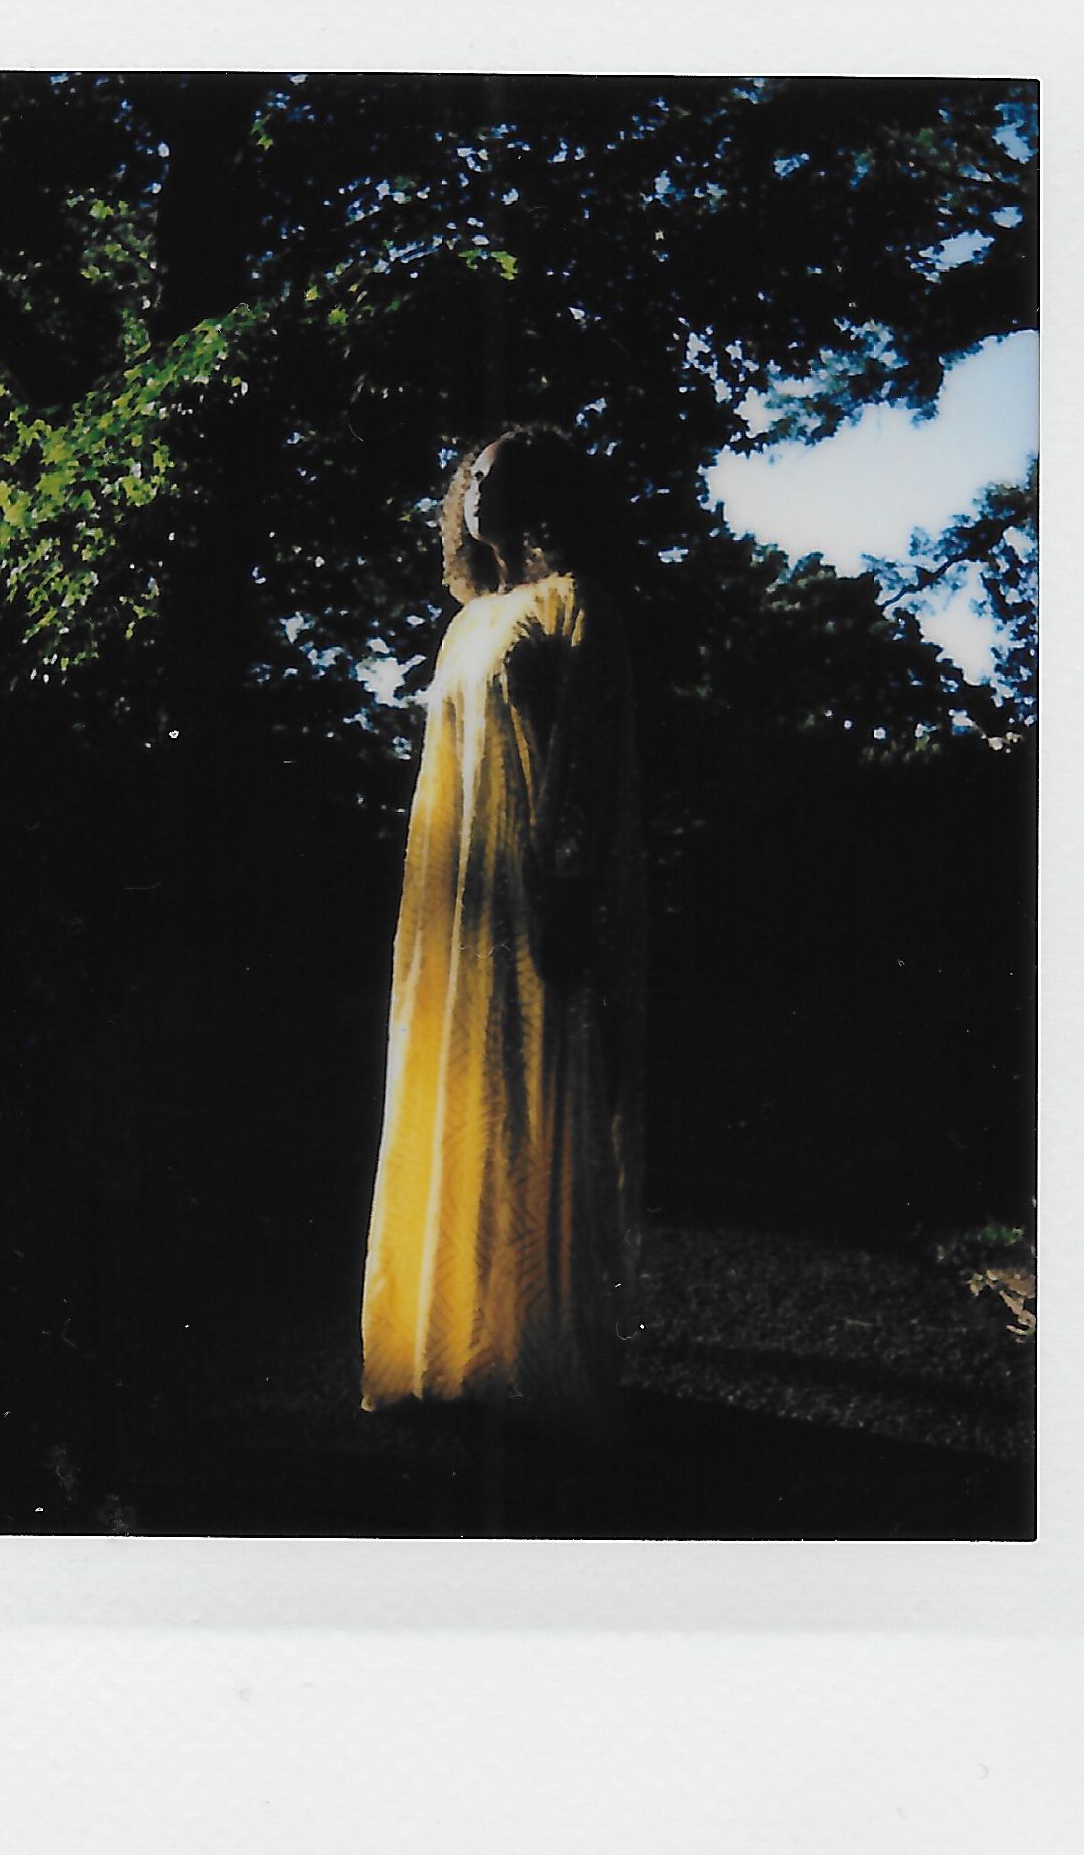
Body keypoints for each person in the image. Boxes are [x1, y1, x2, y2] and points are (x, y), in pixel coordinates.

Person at [358, 424, 642, 1422]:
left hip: (530, 886)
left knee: (531, 1096)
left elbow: (585, 762)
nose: (479, 488)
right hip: (452, 898)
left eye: (499, 476)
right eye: (471, 474)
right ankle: (448, 1345)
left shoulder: (574, 609)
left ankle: (535, 1351)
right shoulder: (464, 624)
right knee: (461, 1092)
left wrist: (567, 890)